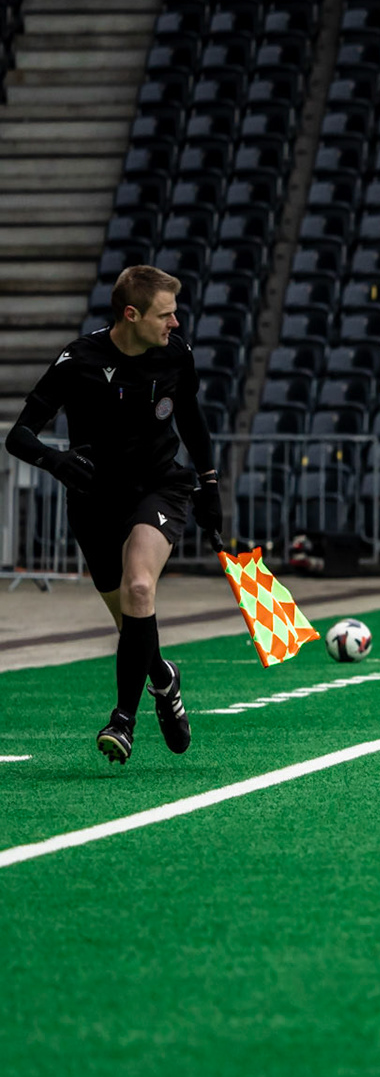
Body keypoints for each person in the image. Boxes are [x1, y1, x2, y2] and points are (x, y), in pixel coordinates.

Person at [4, 265, 222, 762]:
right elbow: (19, 435)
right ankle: (163, 678)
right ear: (131, 314)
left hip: (160, 487)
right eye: (165, 315)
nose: (175, 323)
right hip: (94, 500)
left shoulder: (176, 354)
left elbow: (191, 418)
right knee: (131, 624)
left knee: (139, 588)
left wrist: (210, 484)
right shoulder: (79, 359)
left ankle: (123, 720)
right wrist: (56, 461)